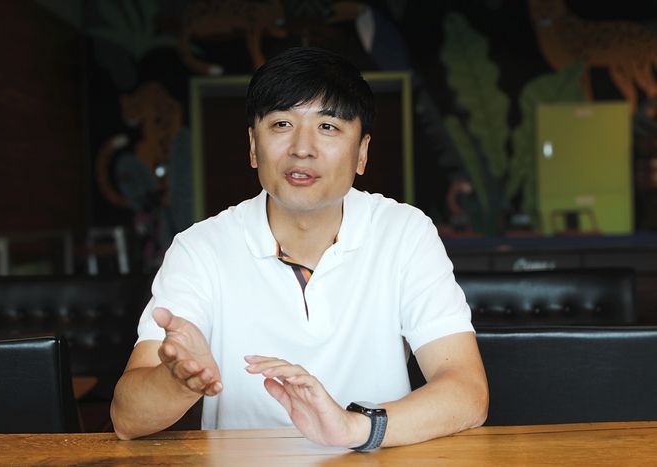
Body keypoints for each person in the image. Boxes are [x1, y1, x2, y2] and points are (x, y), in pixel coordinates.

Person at [110, 47, 488, 450]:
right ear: (253, 145)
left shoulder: (404, 234)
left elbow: (467, 393)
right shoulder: (200, 249)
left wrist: (353, 428)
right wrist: (178, 381)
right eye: (282, 124)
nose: (302, 148)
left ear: (361, 153)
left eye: (328, 126)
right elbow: (126, 419)